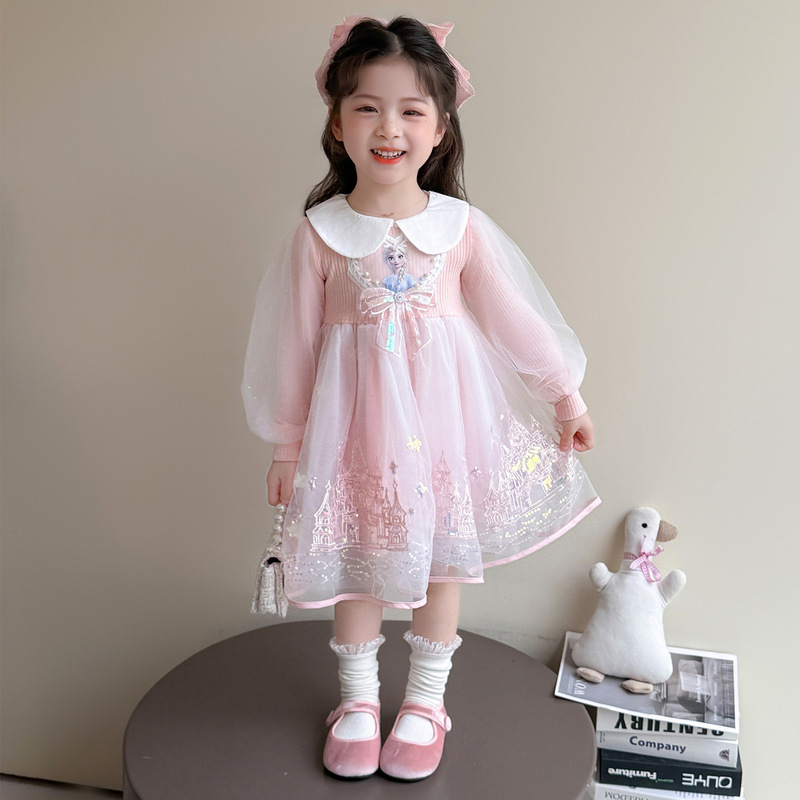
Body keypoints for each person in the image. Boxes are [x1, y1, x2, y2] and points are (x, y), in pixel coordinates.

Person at [242, 16, 600, 781]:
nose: (389, 128)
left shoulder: (458, 228)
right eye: (367, 108)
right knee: (358, 560)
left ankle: (426, 701)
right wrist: (286, 445)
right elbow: (292, 350)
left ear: (439, 129)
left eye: (411, 110)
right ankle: (358, 700)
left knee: (441, 564)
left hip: (445, 429)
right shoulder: (319, 235)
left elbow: (512, 319)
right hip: (355, 436)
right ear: (337, 124)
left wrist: (564, 397)